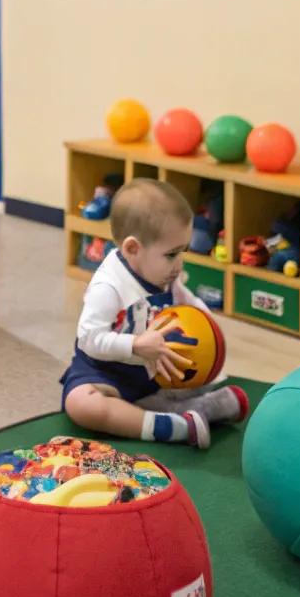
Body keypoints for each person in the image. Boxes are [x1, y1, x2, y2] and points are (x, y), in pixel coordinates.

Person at [61, 179, 249, 448]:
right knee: (81, 404)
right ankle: (168, 426)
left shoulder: (164, 275)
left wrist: (209, 329)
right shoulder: (108, 286)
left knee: (183, 374)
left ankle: (198, 407)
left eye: (182, 252)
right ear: (132, 249)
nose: (179, 263)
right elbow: (90, 339)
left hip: (154, 370)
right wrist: (135, 345)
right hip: (105, 372)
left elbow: (190, 303)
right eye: (171, 255)